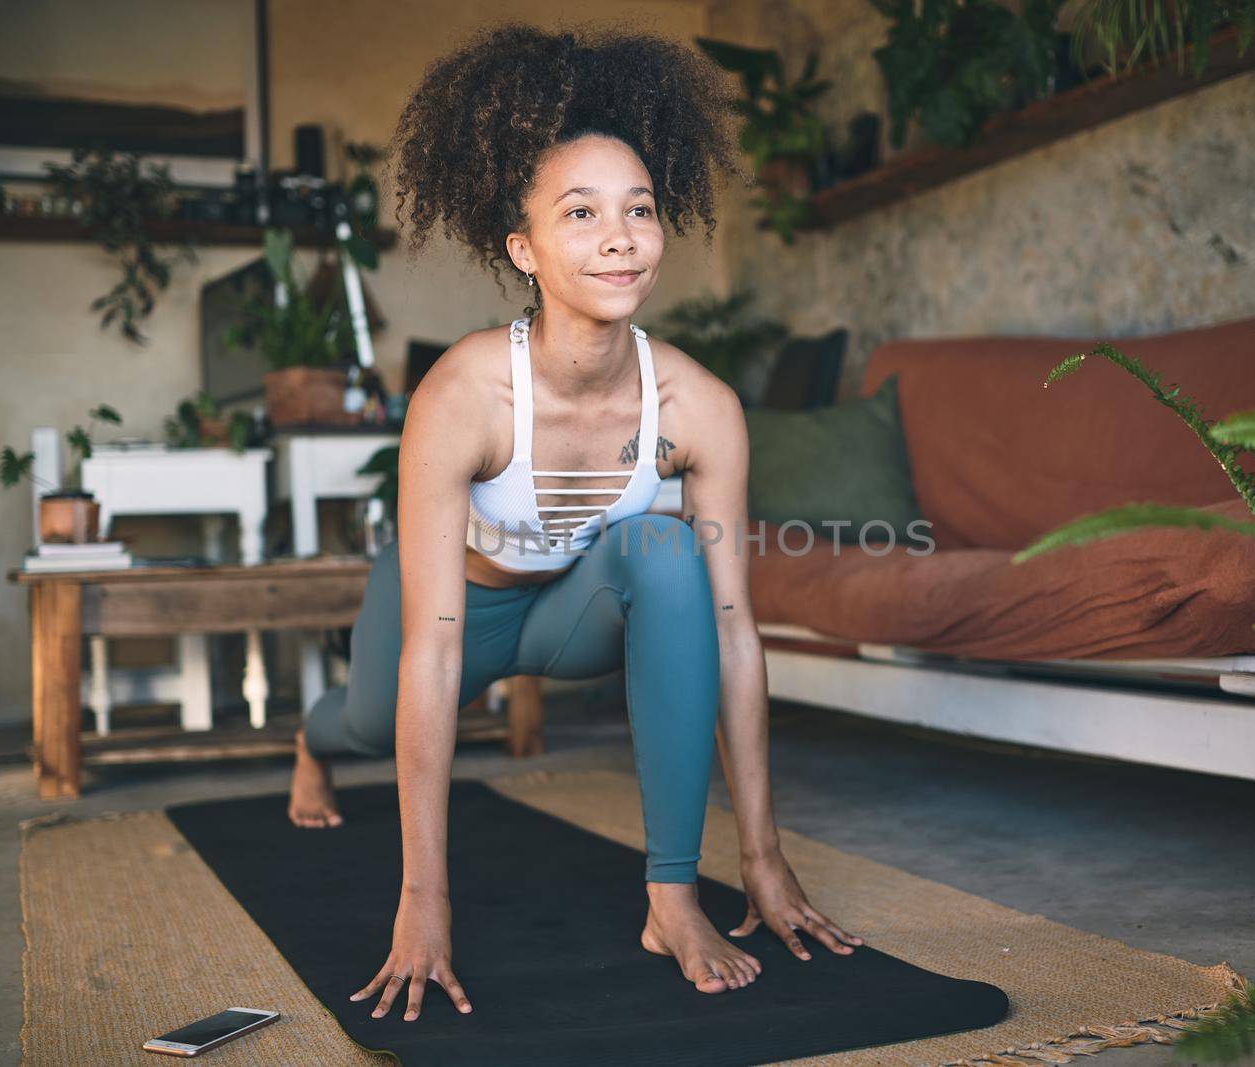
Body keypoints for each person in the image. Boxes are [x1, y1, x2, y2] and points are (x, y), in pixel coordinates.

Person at [285, 22, 863, 1021]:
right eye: (582, 212)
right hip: (451, 609)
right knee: (369, 722)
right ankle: (311, 737)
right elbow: (432, 643)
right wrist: (423, 898)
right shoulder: (465, 391)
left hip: (577, 612)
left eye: (639, 209)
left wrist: (763, 857)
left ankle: (669, 897)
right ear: (525, 248)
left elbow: (732, 632)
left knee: (668, 546)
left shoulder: (700, 404)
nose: (619, 235)